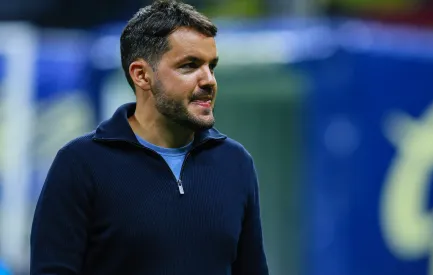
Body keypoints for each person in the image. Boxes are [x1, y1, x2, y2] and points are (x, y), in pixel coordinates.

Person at [29, 1, 269, 274]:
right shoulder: (81, 165)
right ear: (141, 75)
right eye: (190, 66)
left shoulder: (235, 163)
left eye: (211, 66)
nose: (209, 80)